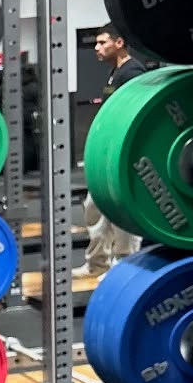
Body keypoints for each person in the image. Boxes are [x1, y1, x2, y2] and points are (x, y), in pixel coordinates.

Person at [82, 23, 149, 276]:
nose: (97, 48)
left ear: (119, 43)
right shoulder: (115, 73)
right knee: (94, 205)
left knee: (123, 212)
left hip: (125, 154)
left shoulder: (132, 72)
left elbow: (134, 113)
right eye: (96, 43)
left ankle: (124, 267)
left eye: (102, 42)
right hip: (108, 151)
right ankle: (97, 263)